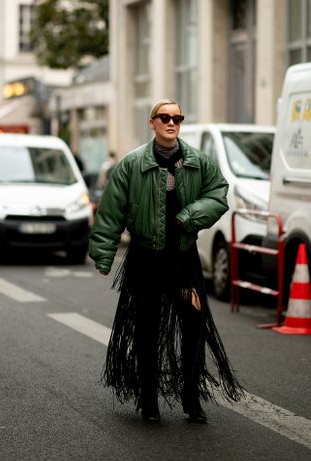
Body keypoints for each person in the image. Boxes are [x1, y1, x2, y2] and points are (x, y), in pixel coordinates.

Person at [89, 99, 244, 424]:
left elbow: (218, 194)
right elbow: (111, 212)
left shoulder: (198, 162)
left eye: (177, 117)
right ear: (152, 122)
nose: (171, 122)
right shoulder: (131, 165)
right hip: (145, 258)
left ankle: (192, 398)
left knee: (193, 326)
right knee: (146, 328)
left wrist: (190, 215)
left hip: (184, 259)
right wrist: (103, 253)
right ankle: (148, 400)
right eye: (165, 117)